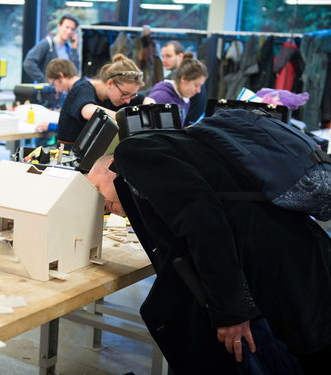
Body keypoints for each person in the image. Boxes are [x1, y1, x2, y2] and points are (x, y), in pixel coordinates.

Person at [87, 131, 331, 375]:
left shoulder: (132, 151)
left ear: (108, 167)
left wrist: (231, 313)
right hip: (293, 253)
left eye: (95, 189)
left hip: (280, 267)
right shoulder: (178, 147)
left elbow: (203, 222)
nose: (103, 208)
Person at [57, 53, 155, 146]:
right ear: (110, 83)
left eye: (132, 96)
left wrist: (147, 113)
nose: (127, 101)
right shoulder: (83, 89)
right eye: (125, 94)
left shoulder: (118, 94)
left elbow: (147, 100)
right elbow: (88, 111)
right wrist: (129, 119)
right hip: (67, 155)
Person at [149, 52, 207, 128]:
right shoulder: (161, 97)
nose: (198, 91)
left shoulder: (185, 99)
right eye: (196, 85)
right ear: (184, 79)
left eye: (200, 86)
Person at [23, 14, 80, 83]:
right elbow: (28, 63)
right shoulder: (47, 43)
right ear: (59, 26)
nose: (69, 31)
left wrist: (74, 48)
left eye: (72, 29)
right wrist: (45, 81)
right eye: (67, 27)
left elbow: (74, 71)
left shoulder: (68, 48)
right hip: (48, 91)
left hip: (64, 91)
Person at [35, 58, 81, 133]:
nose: (56, 90)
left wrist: (50, 126)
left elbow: (76, 129)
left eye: (54, 84)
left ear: (60, 76)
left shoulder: (79, 91)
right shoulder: (78, 89)